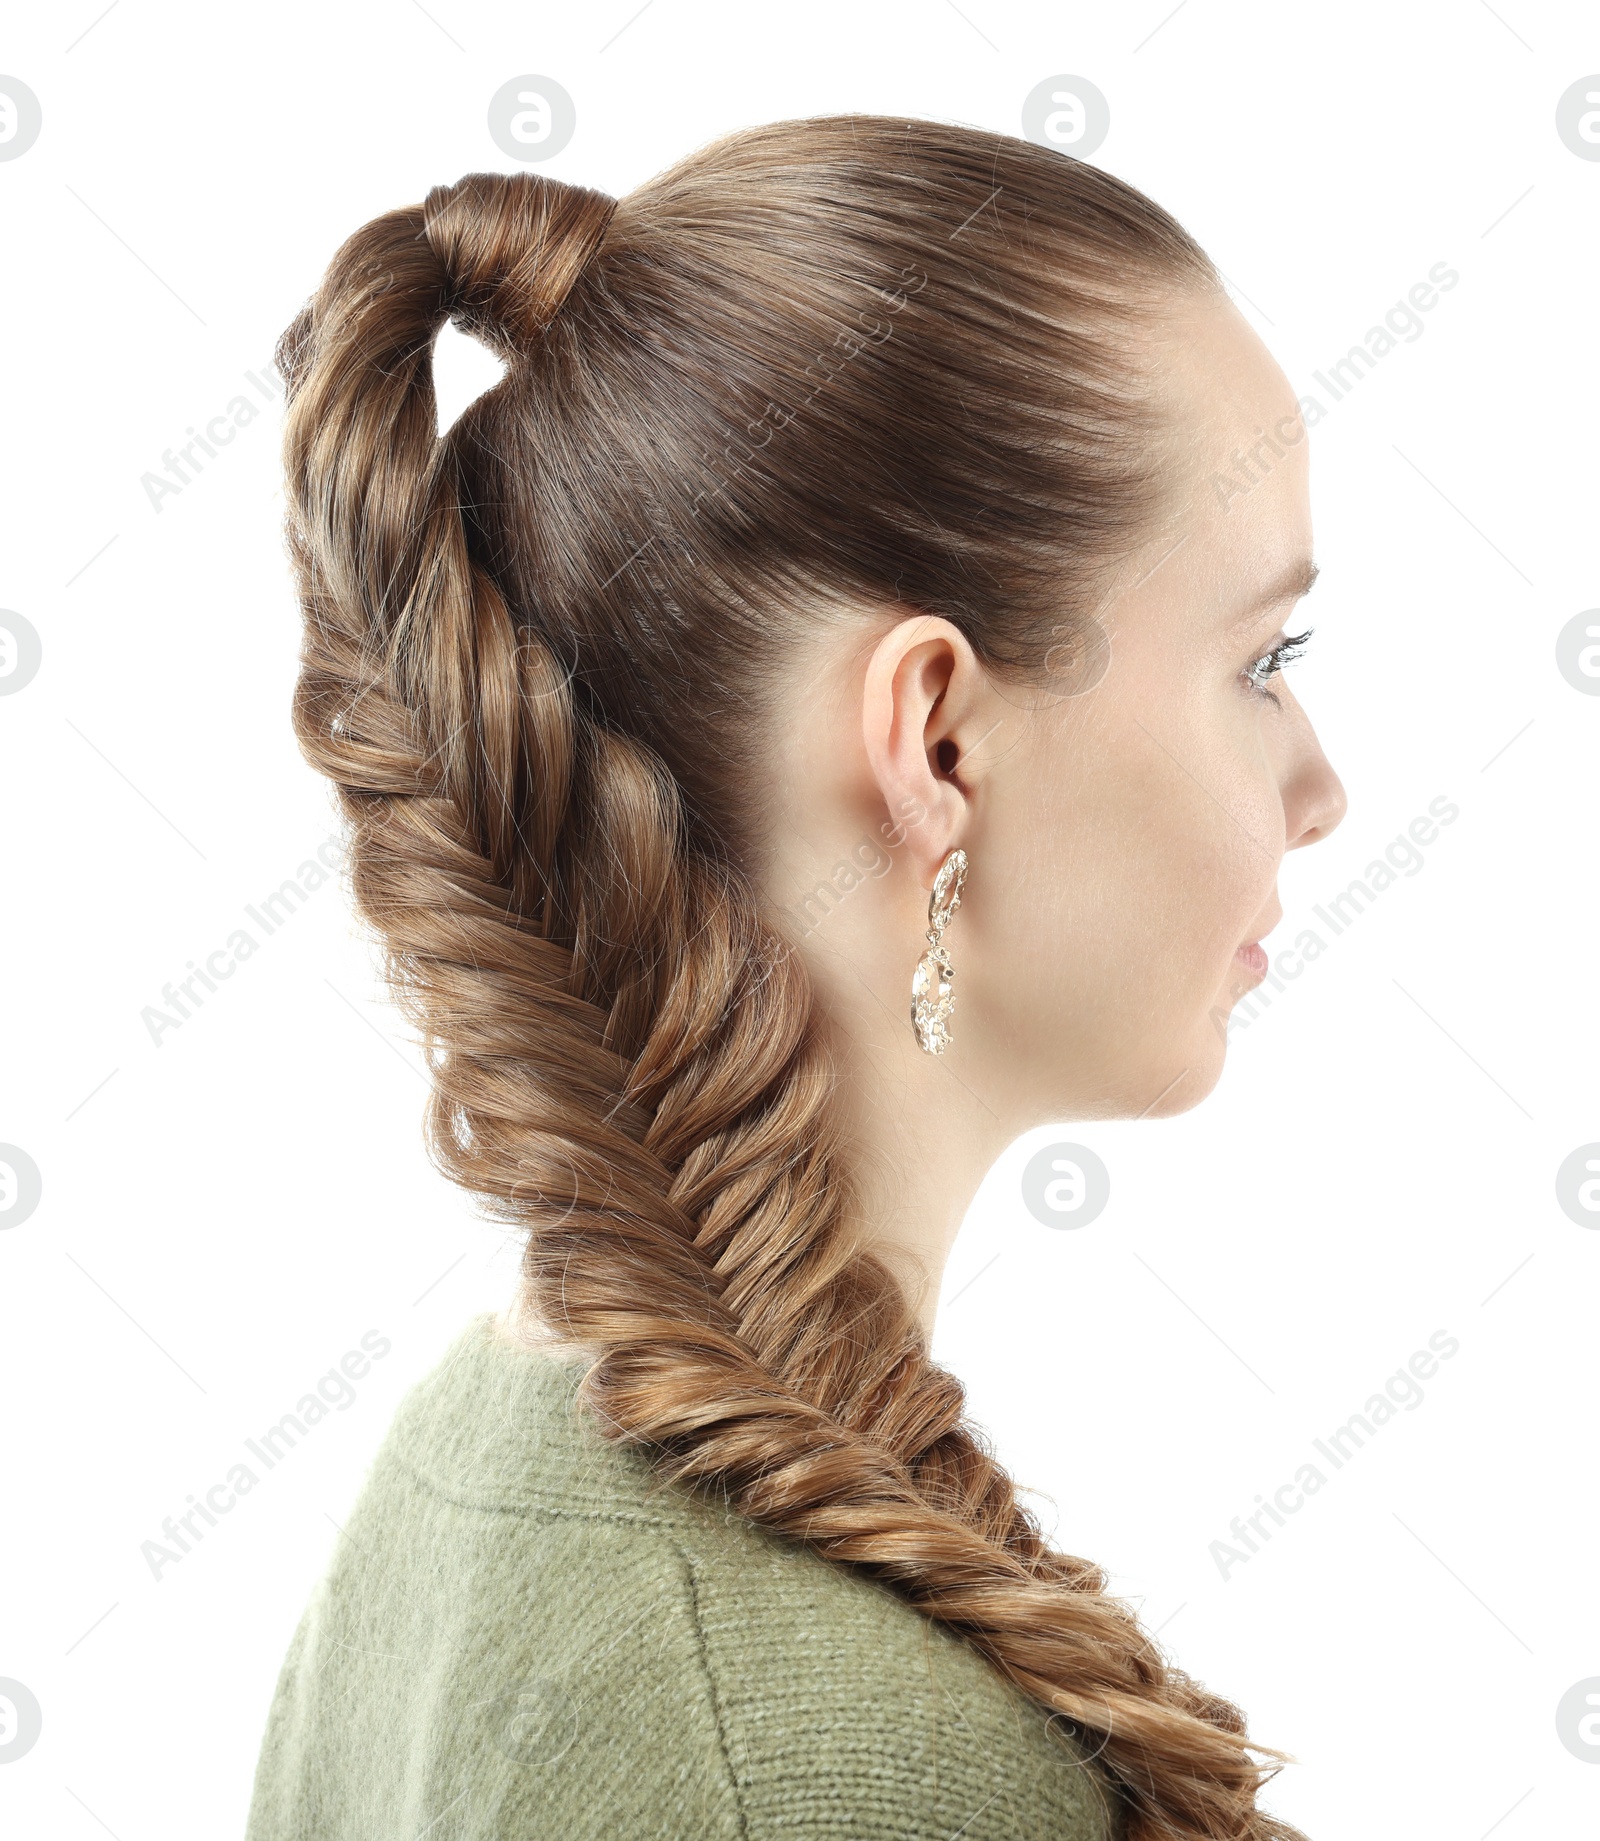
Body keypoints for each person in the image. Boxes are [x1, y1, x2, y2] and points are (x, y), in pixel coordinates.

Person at [246, 113, 1345, 1841]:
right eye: (1263, 661)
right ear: (939, 742)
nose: (1321, 785)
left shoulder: (484, 1443)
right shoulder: (842, 1774)